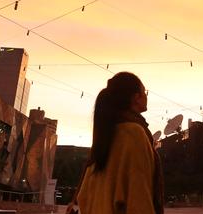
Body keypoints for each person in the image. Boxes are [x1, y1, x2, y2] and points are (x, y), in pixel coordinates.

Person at [66, 72, 164, 214]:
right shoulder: (134, 133)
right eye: (145, 91)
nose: (146, 95)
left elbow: (84, 196)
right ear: (136, 98)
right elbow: (139, 197)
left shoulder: (105, 135)